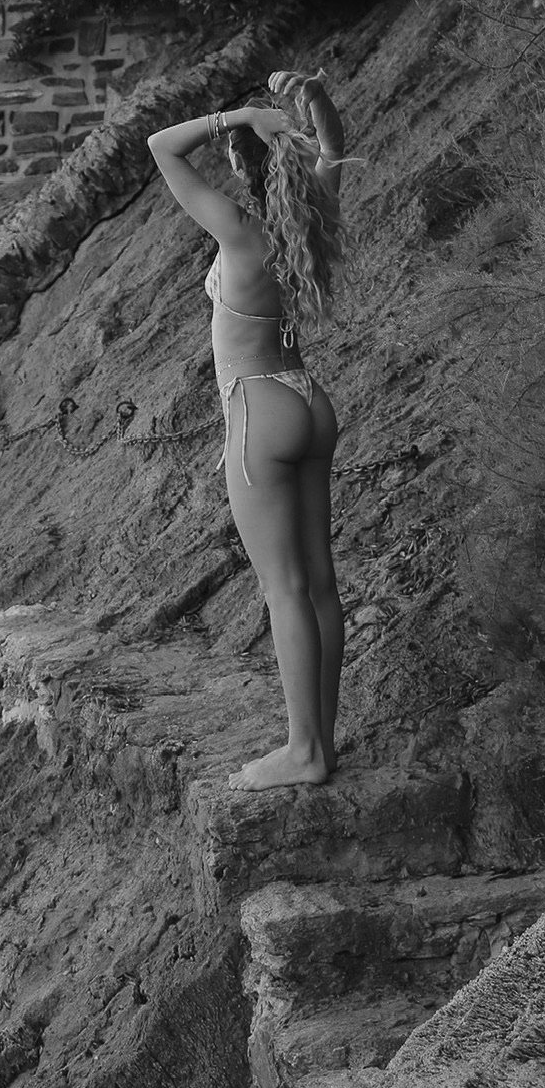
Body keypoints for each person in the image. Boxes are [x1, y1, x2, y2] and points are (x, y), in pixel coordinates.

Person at [148, 70, 347, 788]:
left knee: (284, 589)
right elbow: (332, 151)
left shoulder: (239, 232)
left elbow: (161, 147)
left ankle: (302, 751)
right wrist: (313, 106)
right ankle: (321, 740)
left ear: (241, 165)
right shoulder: (309, 217)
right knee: (319, 584)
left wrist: (241, 114)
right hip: (308, 398)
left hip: (258, 409)